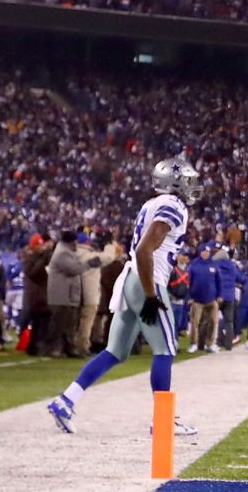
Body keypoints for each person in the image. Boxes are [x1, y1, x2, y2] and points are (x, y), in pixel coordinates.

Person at [48, 156, 201, 438]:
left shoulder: (151, 203)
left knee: (115, 351)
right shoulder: (172, 205)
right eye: (188, 180)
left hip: (132, 279)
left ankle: (66, 400)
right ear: (174, 181)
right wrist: (152, 295)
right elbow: (145, 251)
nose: (192, 186)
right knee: (165, 349)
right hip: (146, 280)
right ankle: (164, 420)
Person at [45, 232, 89, 359]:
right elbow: (74, 269)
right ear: (71, 242)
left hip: (66, 295)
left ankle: (67, 348)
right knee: (59, 324)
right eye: (76, 242)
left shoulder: (65, 252)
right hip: (61, 295)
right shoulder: (63, 253)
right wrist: (89, 264)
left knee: (68, 324)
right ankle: (54, 348)